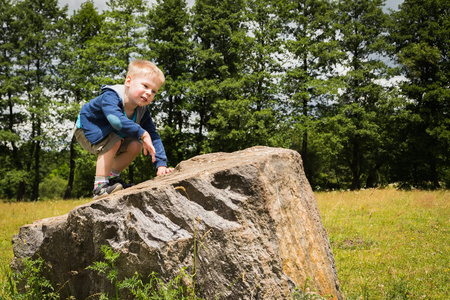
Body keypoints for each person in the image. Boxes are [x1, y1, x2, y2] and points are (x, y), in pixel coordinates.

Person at [74, 59, 173, 199]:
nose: (149, 93)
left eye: (154, 91)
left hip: (112, 135)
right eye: (145, 86)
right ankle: (100, 187)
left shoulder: (142, 110)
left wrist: (161, 164)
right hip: (87, 129)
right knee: (115, 141)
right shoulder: (111, 96)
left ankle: (112, 178)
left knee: (134, 146)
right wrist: (142, 133)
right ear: (128, 81)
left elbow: (153, 135)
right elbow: (116, 120)